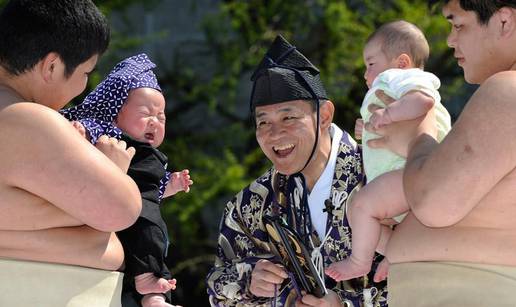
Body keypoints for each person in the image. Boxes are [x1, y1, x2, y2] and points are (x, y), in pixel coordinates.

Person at [207, 35, 388, 307]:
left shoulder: (380, 176)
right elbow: (216, 289)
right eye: (263, 122)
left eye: (289, 117)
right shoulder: (250, 205)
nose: (274, 134)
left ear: (324, 116)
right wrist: (248, 280)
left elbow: (428, 275)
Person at [363, 1, 516, 306]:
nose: (449, 40)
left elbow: (435, 202)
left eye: (458, 24)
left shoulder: (508, 91)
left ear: (504, 21)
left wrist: (416, 136)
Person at [0, 1, 143, 306]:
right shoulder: (24, 118)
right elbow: (121, 209)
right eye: (86, 73)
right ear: (51, 66)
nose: (83, 87)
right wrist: (113, 170)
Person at [61, 53, 193, 307]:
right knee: (144, 240)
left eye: (162, 116)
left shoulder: (154, 156)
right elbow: (90, 127)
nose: (155, 121)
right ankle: (148, 286)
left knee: (154, 244)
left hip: (145, 213)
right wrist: (81, 131)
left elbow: (154, 188)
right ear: (116, 113)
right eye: (146, 113)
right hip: (124, 214)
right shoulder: (111, 133)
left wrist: (173, 183)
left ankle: (154, 297)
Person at [325, 20, 451, 282]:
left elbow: (421, 102)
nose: (365, 74)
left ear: (402, 62)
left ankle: (361, 261)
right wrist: (368, 127)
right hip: (401, 178)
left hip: (410, 172)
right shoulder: (392, 83)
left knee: (360, 206)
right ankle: (396, 253)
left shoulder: (404, 77)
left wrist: (388, 113)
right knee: (360, 213)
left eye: (371, 64)